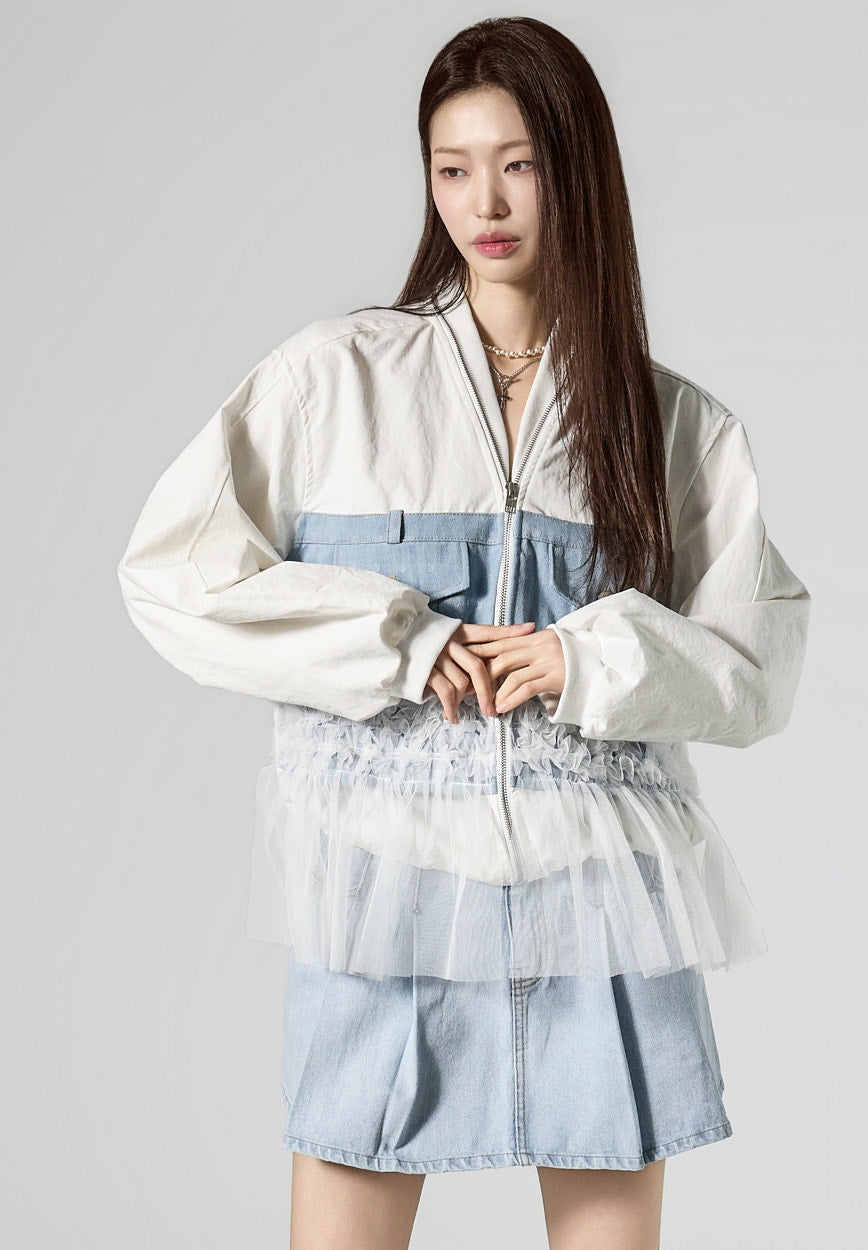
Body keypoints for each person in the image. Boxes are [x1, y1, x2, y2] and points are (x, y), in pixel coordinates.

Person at [116, 15, 811, 1250]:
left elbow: (756, 666)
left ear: (576, 170)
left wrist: (589, 658)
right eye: (452, 167)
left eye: (519, 164)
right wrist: (394, 638)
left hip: (601, 905)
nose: (482, 203)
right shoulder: (335, 379)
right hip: (388, 895)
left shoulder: (672, 425)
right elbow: (173, 575)